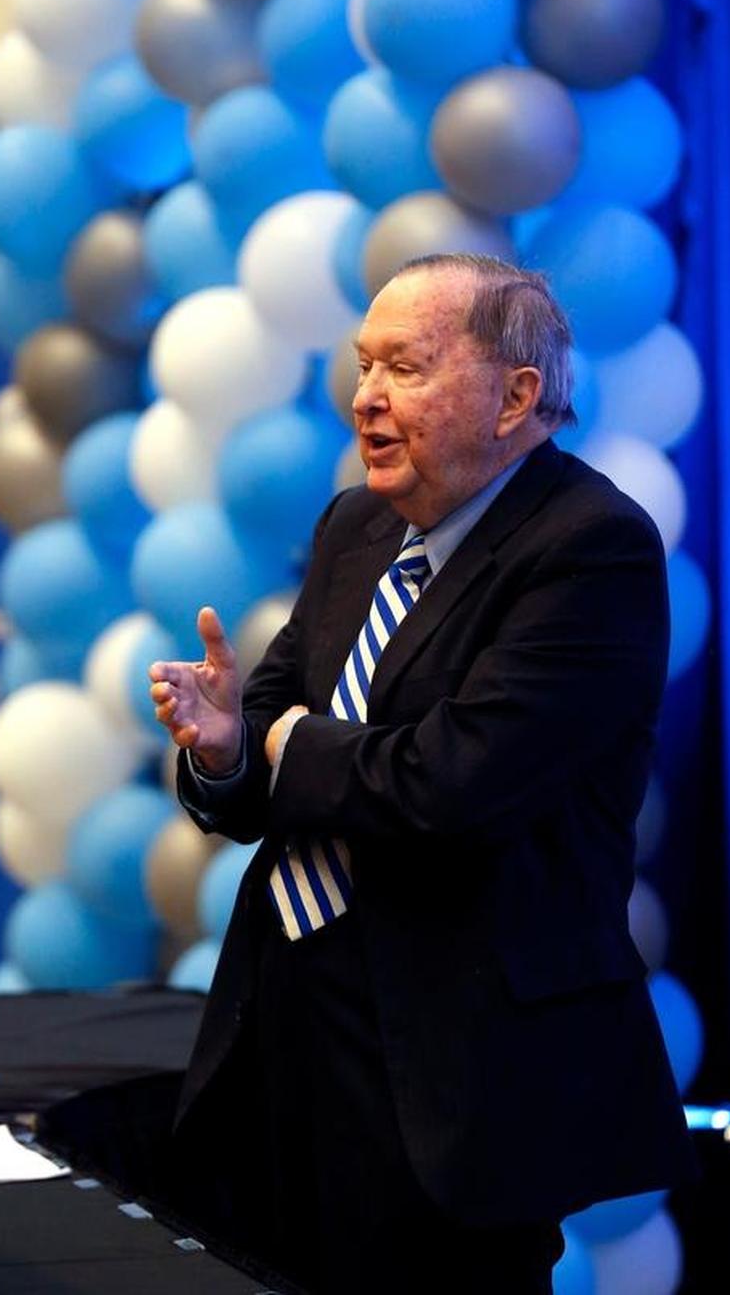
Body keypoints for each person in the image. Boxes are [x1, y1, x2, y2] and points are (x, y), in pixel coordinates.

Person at [148, 254, 694, 1295]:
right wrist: (225, 750)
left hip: (458, 1069)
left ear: (515, 397)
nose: (366, 396)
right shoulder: (357, 525)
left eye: (405, 367)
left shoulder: (592, 548)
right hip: (291, 1026)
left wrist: (286, 741)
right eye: (364, 365)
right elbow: (274, 730)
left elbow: (453, 783)